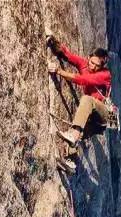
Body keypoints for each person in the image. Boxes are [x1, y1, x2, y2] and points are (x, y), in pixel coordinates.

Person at [46, 35, 113, 173]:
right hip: (92, 122)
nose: (92, 66)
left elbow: (83, 80)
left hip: (102, 116)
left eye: (96, 65)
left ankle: (73, 135)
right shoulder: (85, 64)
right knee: (74, 139)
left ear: (102, 66)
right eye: (91, 62)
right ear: (89, 57)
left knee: (87, 101)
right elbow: (68, 56)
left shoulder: (105, 75)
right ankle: (69, 162)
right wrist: (54, 43)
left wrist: (59, 71)